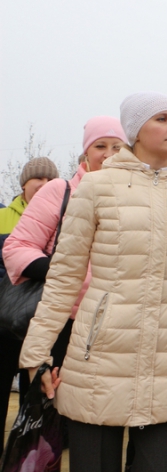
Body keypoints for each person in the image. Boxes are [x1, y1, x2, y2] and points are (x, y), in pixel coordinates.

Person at [19, 91, 167, 472]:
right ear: (134, 131)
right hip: (98, 359)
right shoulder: (97, 187)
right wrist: (36, 356)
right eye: (161, 118)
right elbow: (64, 277)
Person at [0, 156, 59, 457]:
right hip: (5, 321)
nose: (45, 185)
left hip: (41, 321)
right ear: (24, 183)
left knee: (34, 392)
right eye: (39, 179)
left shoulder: (63, 214)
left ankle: (27, 454)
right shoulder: (3, 216)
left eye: (51, 181)